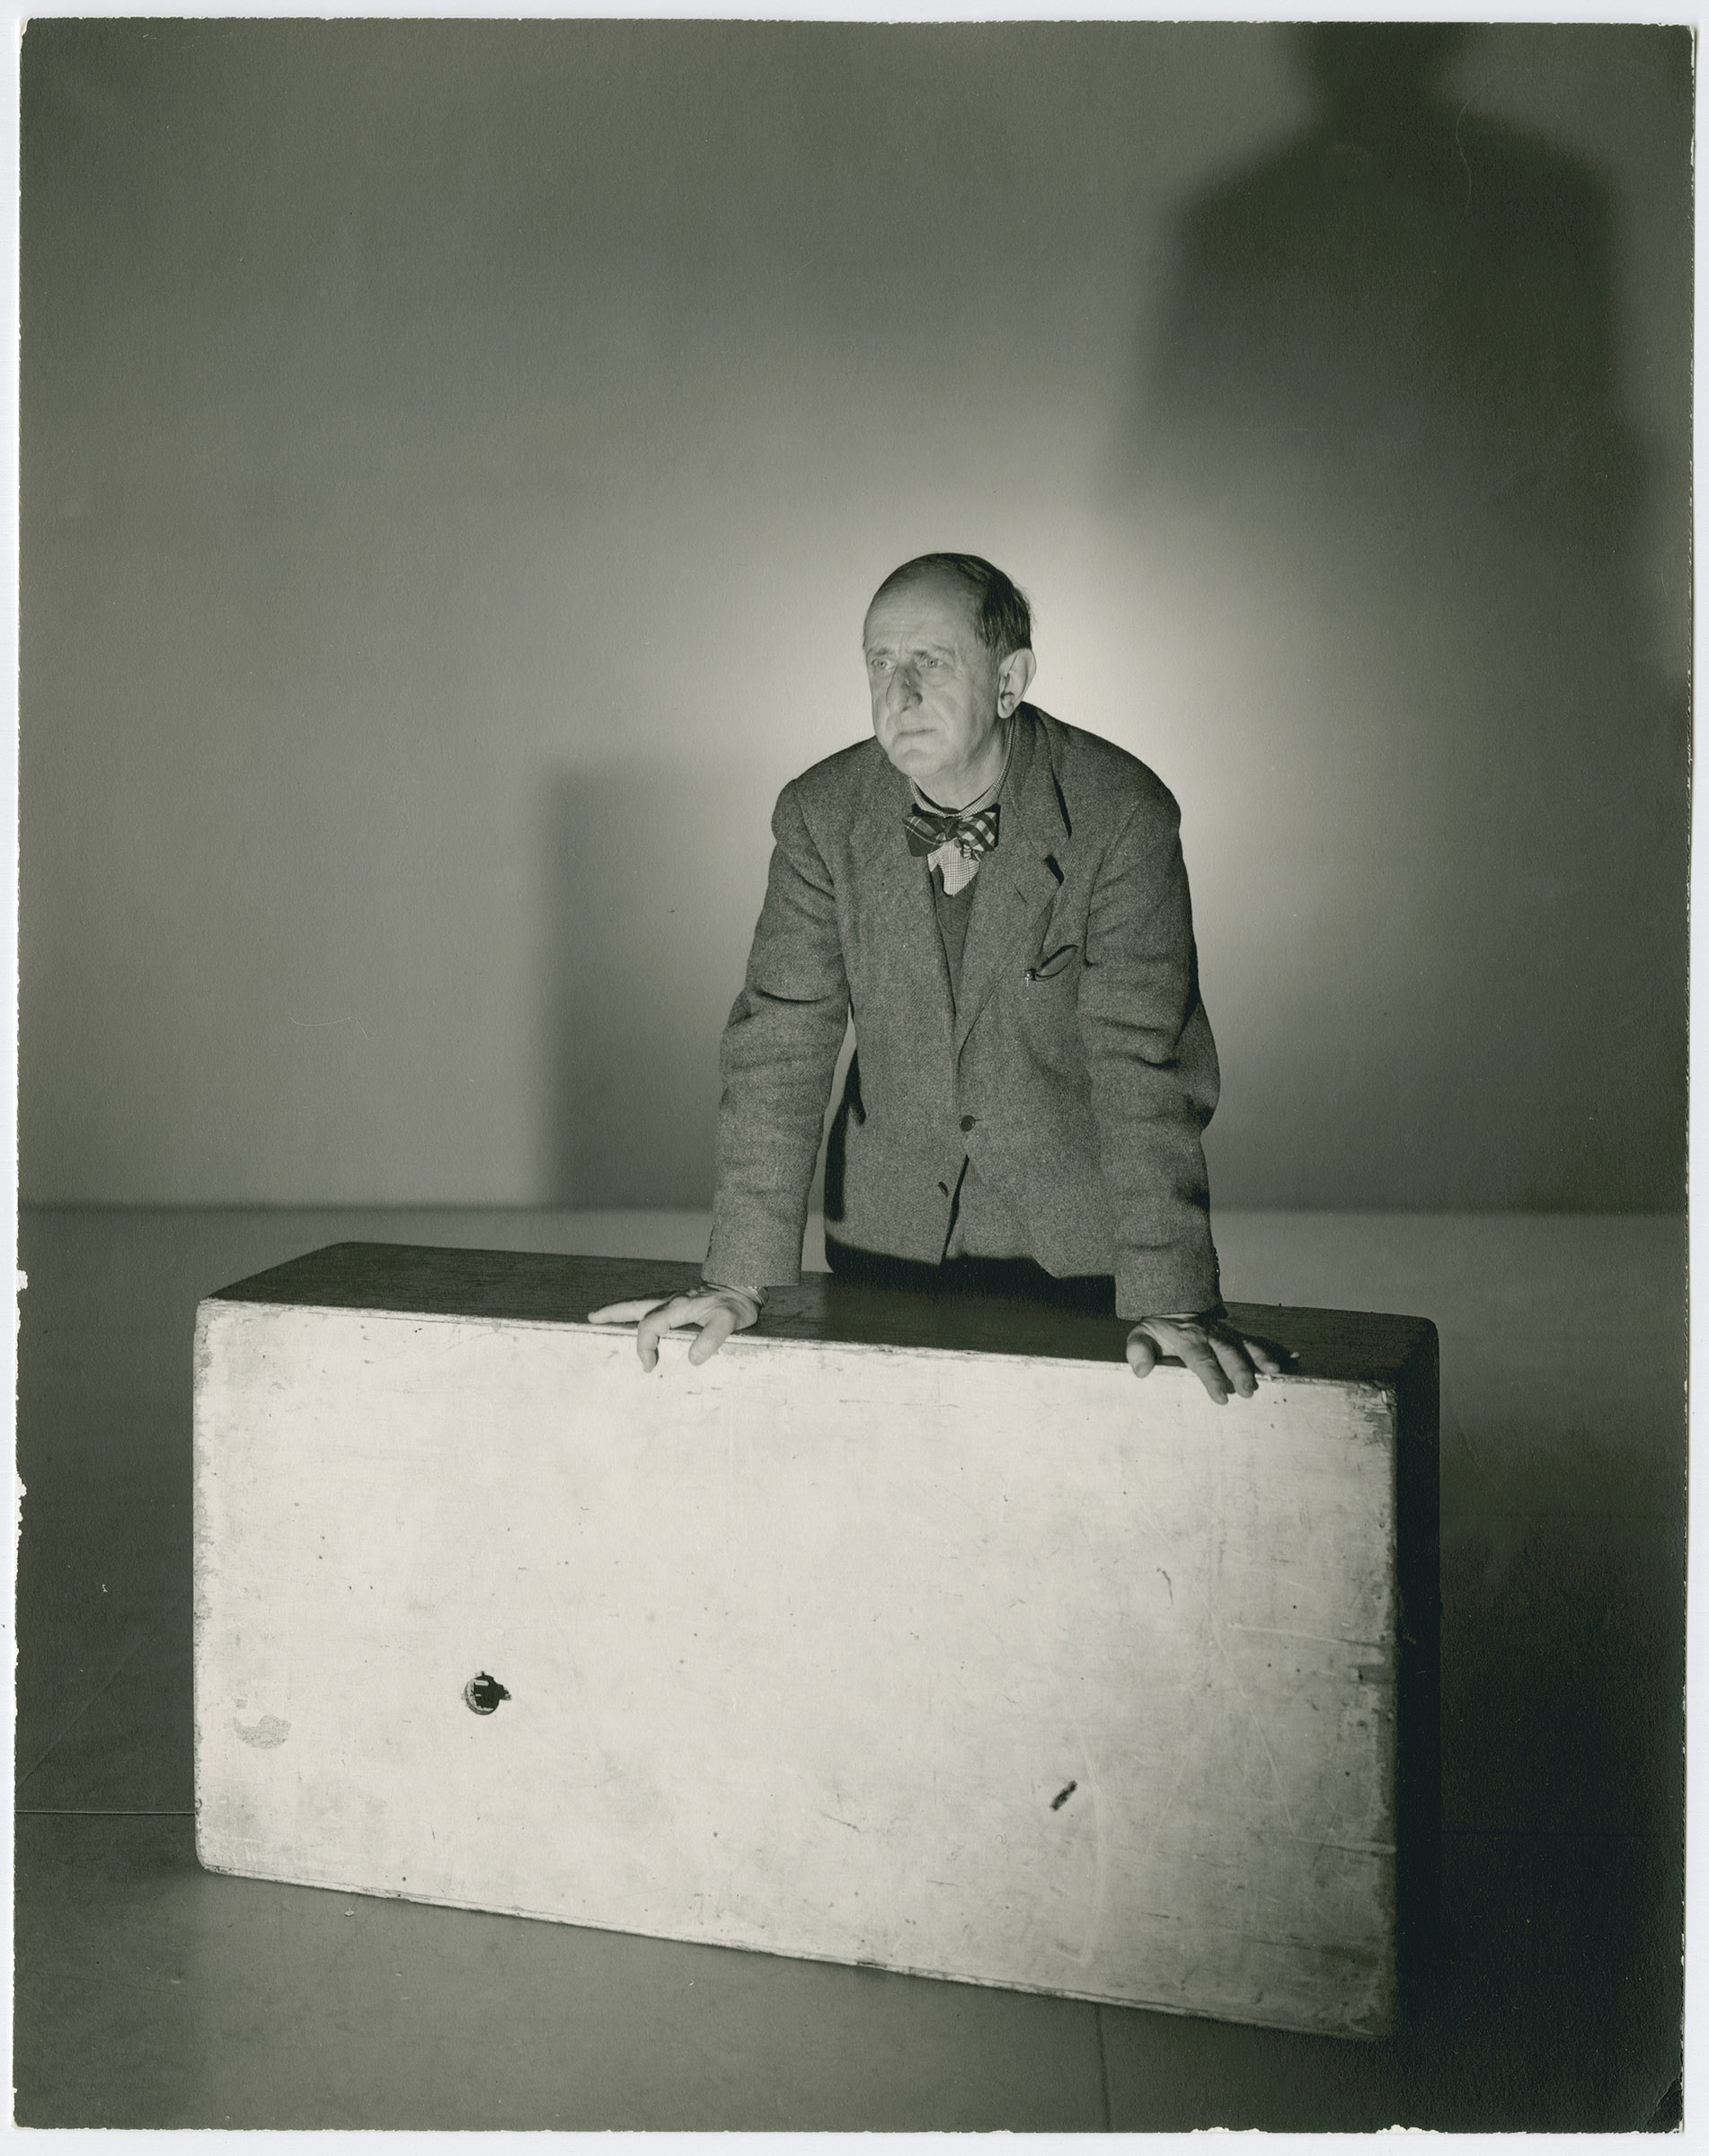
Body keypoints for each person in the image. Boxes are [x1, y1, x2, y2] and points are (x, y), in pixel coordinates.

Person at [590, 552, 1279, 1405]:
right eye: (880, 663)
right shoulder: (820, 813)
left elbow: (1145, 1066)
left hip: (1082, 1260)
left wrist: (1172, 1294)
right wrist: (739, 1277)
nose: (900, 692)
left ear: (1010, 679)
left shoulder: (1122, 813)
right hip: (885, 1245)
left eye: (933, 662)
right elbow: (779, 1044)